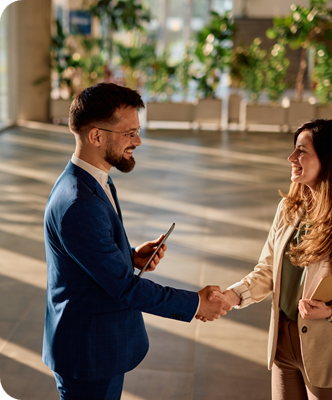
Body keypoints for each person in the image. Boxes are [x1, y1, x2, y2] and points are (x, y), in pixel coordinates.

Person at [42, 82, 232, 400]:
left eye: (137, 131)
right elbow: (125, 289)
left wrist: (129, 256)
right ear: (96, 136)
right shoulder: (79, 203)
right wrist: (196, 303)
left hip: (96, 342)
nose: (138, 141)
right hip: (89, 353)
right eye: (129, 133)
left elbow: (87, 257)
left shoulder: (96, 180)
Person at [203, 119, 332, 400]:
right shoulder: (288, 210)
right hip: (282, 347)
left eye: (302, 151)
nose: (291, 158)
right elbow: (267, 269)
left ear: (330, 160)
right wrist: (233, 295)